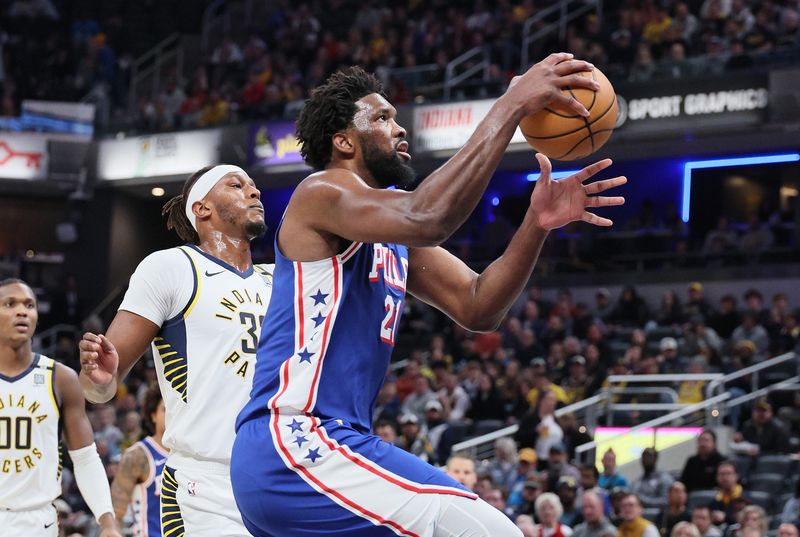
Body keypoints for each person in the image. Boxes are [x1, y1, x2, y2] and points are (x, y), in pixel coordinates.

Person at [232, 59, 626, 537]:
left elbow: (479, 305)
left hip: (322, 449)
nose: (399, 129)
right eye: (381, 118)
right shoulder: (321, 191)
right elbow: (429, 214)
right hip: (296, 439)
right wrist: (511, 105)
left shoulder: (394, 236)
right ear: (343, 141)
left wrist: (535, 225)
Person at [79, 164, 273, 536]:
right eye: (237, 185)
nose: (254, 192)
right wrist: (99, 380)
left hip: (280, 475)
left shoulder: (280, 278)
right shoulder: (171, 267)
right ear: (202, 208)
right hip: (209, 485)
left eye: (253, 185)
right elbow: (101, 387)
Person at [0, 278, 121, 537]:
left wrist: (107, 522)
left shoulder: (61, 379)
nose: (22, 311)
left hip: (37, 521)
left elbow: (86, 458)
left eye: (29, 305)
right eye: (10, 304)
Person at [110, 384, 167, 536]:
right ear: (153, 415)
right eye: (165, 409)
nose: (172, 414)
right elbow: (115, 515)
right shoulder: (137, 456)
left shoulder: (194, 455)